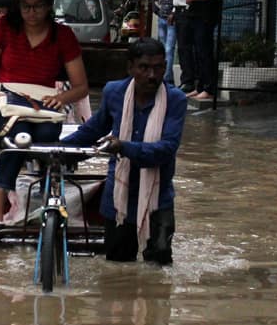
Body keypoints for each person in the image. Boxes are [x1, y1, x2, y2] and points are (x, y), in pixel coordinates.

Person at [0, 0, 89, 235]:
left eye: (37, 6)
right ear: (19, 6)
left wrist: (61, 98)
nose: (31, 13)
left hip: (45, 110)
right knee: (19, 137)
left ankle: (50, 197)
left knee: (48, 136)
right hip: (6, 107)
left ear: (49, 5)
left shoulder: (63, 35)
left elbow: (81, 86)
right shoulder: (4, 28)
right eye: (26, 6)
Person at [62, 38, 187, 265]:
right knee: (117, 271)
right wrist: (60, 150)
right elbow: (93, 130)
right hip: (118, 198)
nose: (152, 75)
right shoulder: (114, 92)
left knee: (158, 272)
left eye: (158, 68)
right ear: (130, 68)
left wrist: (123, 146)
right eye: (144, 67)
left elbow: (166, 149)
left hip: (158, 198)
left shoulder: (175, 99)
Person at [184, 0, 224, 101]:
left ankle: (208, 88)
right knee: (198, 53)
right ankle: (200, 86)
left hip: (206, 19)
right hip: (198, 18)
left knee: (205, 53)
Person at [171, 0, 202, 94]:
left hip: (187, 12)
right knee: (182, 48)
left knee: (185, 47)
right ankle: (186, 80)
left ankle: (189, 81)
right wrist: (172, 10)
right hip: (179, 11)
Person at [153, 0, 178, 85]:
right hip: (162, 19)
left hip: (173, 20)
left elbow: (180, 1)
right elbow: (155, 0)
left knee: (169, 49)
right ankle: (169, 77)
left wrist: (173, 13)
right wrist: (158, 12)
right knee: (163, 49)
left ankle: (166, 78)